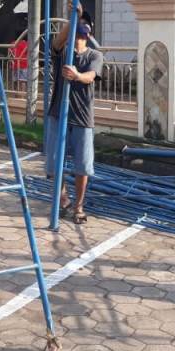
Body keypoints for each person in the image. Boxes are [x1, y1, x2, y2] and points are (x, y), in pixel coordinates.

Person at [44, 19, 103, 224]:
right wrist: (72, 18)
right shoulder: (62, 53)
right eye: (76, 35)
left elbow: (91, 76)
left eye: (82, 35)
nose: (79, 39)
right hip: (58, 114)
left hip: (82, 117)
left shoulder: (94, 55)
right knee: (54, 164)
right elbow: (56, 43)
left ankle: (78, 206)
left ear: (87, 37)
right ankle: (63, 201)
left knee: (82, 166)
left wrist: (77, 75)